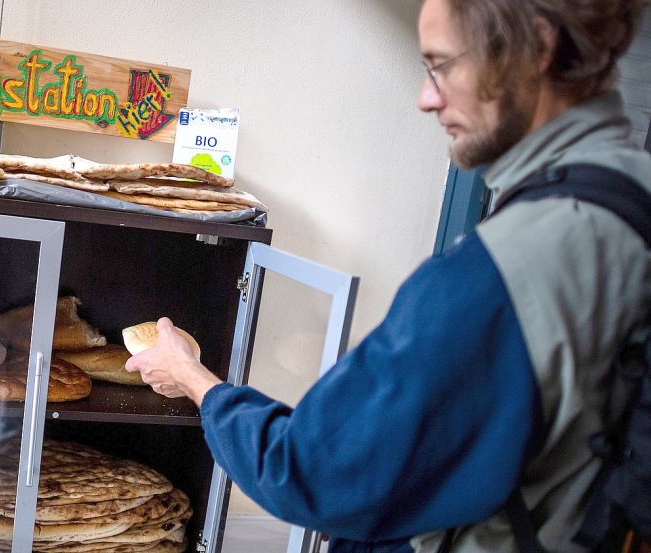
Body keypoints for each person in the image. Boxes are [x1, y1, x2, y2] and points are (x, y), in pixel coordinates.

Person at [126, 1, 651, 551]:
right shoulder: (630, 200)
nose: (427, 98)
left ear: (536, 48)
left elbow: (309, 471)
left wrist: (194, 380)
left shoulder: (495, 276)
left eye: (441, 65)